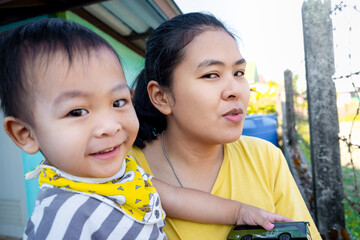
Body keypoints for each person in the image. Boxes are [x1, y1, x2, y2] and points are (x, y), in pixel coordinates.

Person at [0, 18, 292, 239]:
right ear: (25, 134)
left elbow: (178, 198)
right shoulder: (62, 217)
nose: (109, 126)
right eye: (77, 111)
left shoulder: (124, 175)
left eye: (118, 102)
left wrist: (239, 211)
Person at [129, 12, 322, 240]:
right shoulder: (119, 168)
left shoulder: (265, 159)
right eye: (211, 75)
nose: (235, 90)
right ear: (161, 97)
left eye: (239, 73)